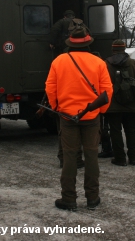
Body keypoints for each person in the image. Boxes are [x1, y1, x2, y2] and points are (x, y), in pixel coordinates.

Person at [45, 27, 113, 211]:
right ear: (88, 43)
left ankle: (69, 198)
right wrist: (101, 110)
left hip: (67, 117)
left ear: (70, 43)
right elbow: (107, 90)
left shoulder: (58, 61)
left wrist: (56, 108)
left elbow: (50, 88)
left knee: (69, 157)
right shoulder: (99, 62)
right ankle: (92, 197)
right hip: (91, 117)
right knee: (91, 157)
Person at [104, 40, 135, 166]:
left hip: (113, 104)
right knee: (131, 131)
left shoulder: (106, 63)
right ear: (124, 48)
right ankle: (133, 158)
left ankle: (120, 158)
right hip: (131, 103)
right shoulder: (133, 63)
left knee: (115, 131)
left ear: (113, 49)